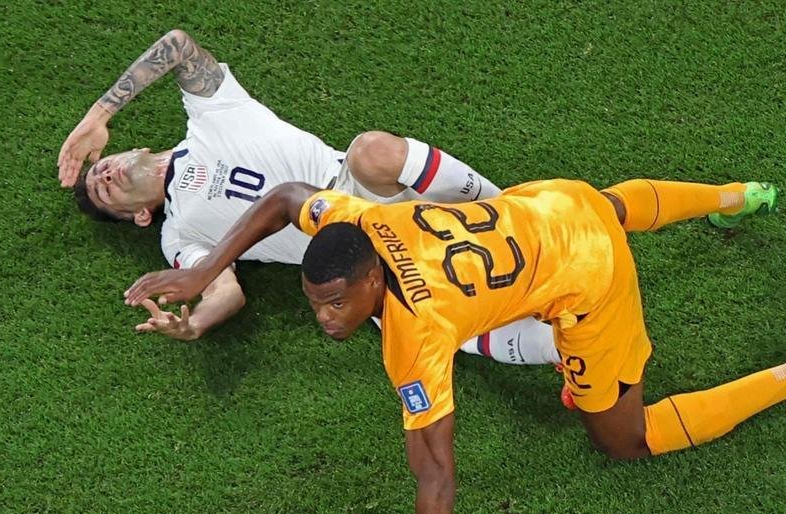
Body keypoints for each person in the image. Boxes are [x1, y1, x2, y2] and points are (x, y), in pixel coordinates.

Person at [123, 176, 786, 514]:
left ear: (370, 285)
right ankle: (737, 197)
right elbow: (290, 199)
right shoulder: (357, 223)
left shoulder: (416, 340)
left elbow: (436, 475)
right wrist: (204, 274)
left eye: (333, 302)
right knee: (608, 204)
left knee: (625, 438)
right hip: (546, 204)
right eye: (313, 301)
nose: (323, 317)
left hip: (588, 281)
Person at [57, 29, 559, 366]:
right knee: (444, 317)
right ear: (140, 216)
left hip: (358, 187)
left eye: (100, 168)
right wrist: (195, 326)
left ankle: (509, 209)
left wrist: (99, 114)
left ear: (136, 147)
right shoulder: (179, 233)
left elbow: (179, 45)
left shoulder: (210, 115)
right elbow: (224, 291)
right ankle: (566, 350)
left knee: (372, 151)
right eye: (104, 193)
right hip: (359, 253)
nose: (102, 175)